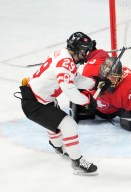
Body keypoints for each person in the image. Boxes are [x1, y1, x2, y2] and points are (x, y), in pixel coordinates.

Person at [15, 32, 98, 176]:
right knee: (68, 125)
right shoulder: (65, 62)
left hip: (40, 98)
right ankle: (77, 162)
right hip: (35, 103)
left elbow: (76, 79)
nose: (86, 54)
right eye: (84, 50)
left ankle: (58, 147)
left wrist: (95, 83)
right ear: (76, 48)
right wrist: (87, 101)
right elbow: (70, 90)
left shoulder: (64, 56)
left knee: (55, 124)